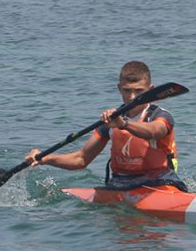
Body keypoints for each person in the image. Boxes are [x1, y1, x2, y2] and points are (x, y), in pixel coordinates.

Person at [23, 61, 184, 191]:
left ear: (151, 90)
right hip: (120, 184)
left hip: (160, 182)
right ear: (119, 89)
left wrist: (124, 125)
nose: (132, 97)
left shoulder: (160, 116)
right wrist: (46, 159)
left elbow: (154, 131)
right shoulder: (110, 121)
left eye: (139, 91)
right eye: (127, 91)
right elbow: (81, 159)